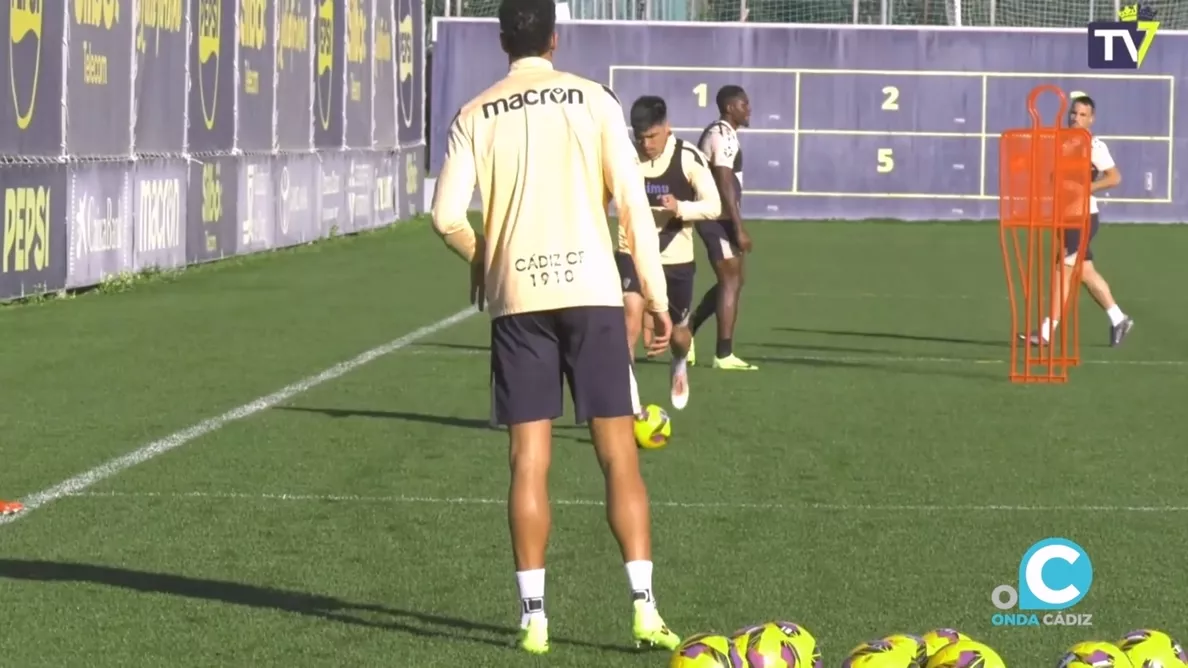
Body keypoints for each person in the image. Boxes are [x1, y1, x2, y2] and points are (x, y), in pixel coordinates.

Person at [429, 0, 681, 655]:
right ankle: (645, 610)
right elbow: (631, 203)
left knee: (528, 461)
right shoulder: (594, 99)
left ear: (501, 42)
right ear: (555, 38)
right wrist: (655, 296)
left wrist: (485, 257)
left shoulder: (475, 113)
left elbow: (445, 216)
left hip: (519, 300)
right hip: (593, 293)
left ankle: (533, 617)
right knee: (618, 455)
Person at [614, 95, 721, 411]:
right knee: (630, 314)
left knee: (679, 334)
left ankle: (678, 364)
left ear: (667, 128)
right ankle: (628, 394)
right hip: (630, 250)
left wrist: (681, 208)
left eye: (652, 136)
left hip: (675, 260)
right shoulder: (623, 157)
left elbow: (715, 206)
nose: (646, 144)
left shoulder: (688, 157)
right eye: (640, 136)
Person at [1024, 94, 1134, 347]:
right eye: (1073, 113)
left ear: (1091, 119)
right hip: (1066, 216)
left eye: (1082, 114)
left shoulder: (1093, 145)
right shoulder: (1064, 141)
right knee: (1084, 271)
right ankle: (1119, 319)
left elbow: (1114, 177)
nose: (1076, 118)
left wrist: (1086, 188)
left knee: (1062, 269)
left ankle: (1046, 332)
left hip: (1082, 217)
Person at [687, 84, 757, 370]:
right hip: (715, 217)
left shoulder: (725, 134)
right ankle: (723, 354)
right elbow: (723, 179)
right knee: (730, 279)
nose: (748, 109)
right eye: (744, 104)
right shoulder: (722, 135)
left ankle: (688, 329)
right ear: (730, 107)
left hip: (721, 216)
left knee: (735, 279)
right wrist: (738, 227)